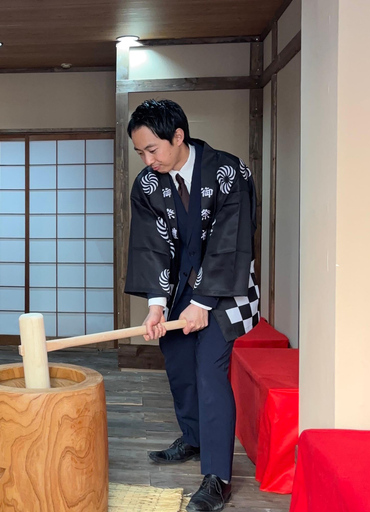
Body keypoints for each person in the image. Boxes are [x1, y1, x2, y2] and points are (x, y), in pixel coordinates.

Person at [124, 99, 259, 512]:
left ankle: (217, 476)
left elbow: (231, 241)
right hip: (180, 286)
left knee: (209, 369)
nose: (148, 161)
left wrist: (203, 301)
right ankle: (195, 436)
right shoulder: (148, 185)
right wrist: (156, 304)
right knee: (179, 360)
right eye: (141, 153)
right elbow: (150, 248)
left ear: (178, 136)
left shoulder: (226, 171)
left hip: (226, 288)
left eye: (153, 150)